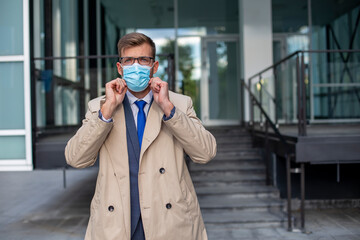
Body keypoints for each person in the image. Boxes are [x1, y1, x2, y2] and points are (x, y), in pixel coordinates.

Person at [65, 32, 217, 240]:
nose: (136, 66)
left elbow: (205, 153)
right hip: (116, 225)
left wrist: (168, 108)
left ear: (154, 67)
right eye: (129, 60)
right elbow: (76, 158)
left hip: (170, 223)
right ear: (120, 68)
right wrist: (107, 110)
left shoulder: (179, 104)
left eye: (143, 60)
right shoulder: (98, 107)